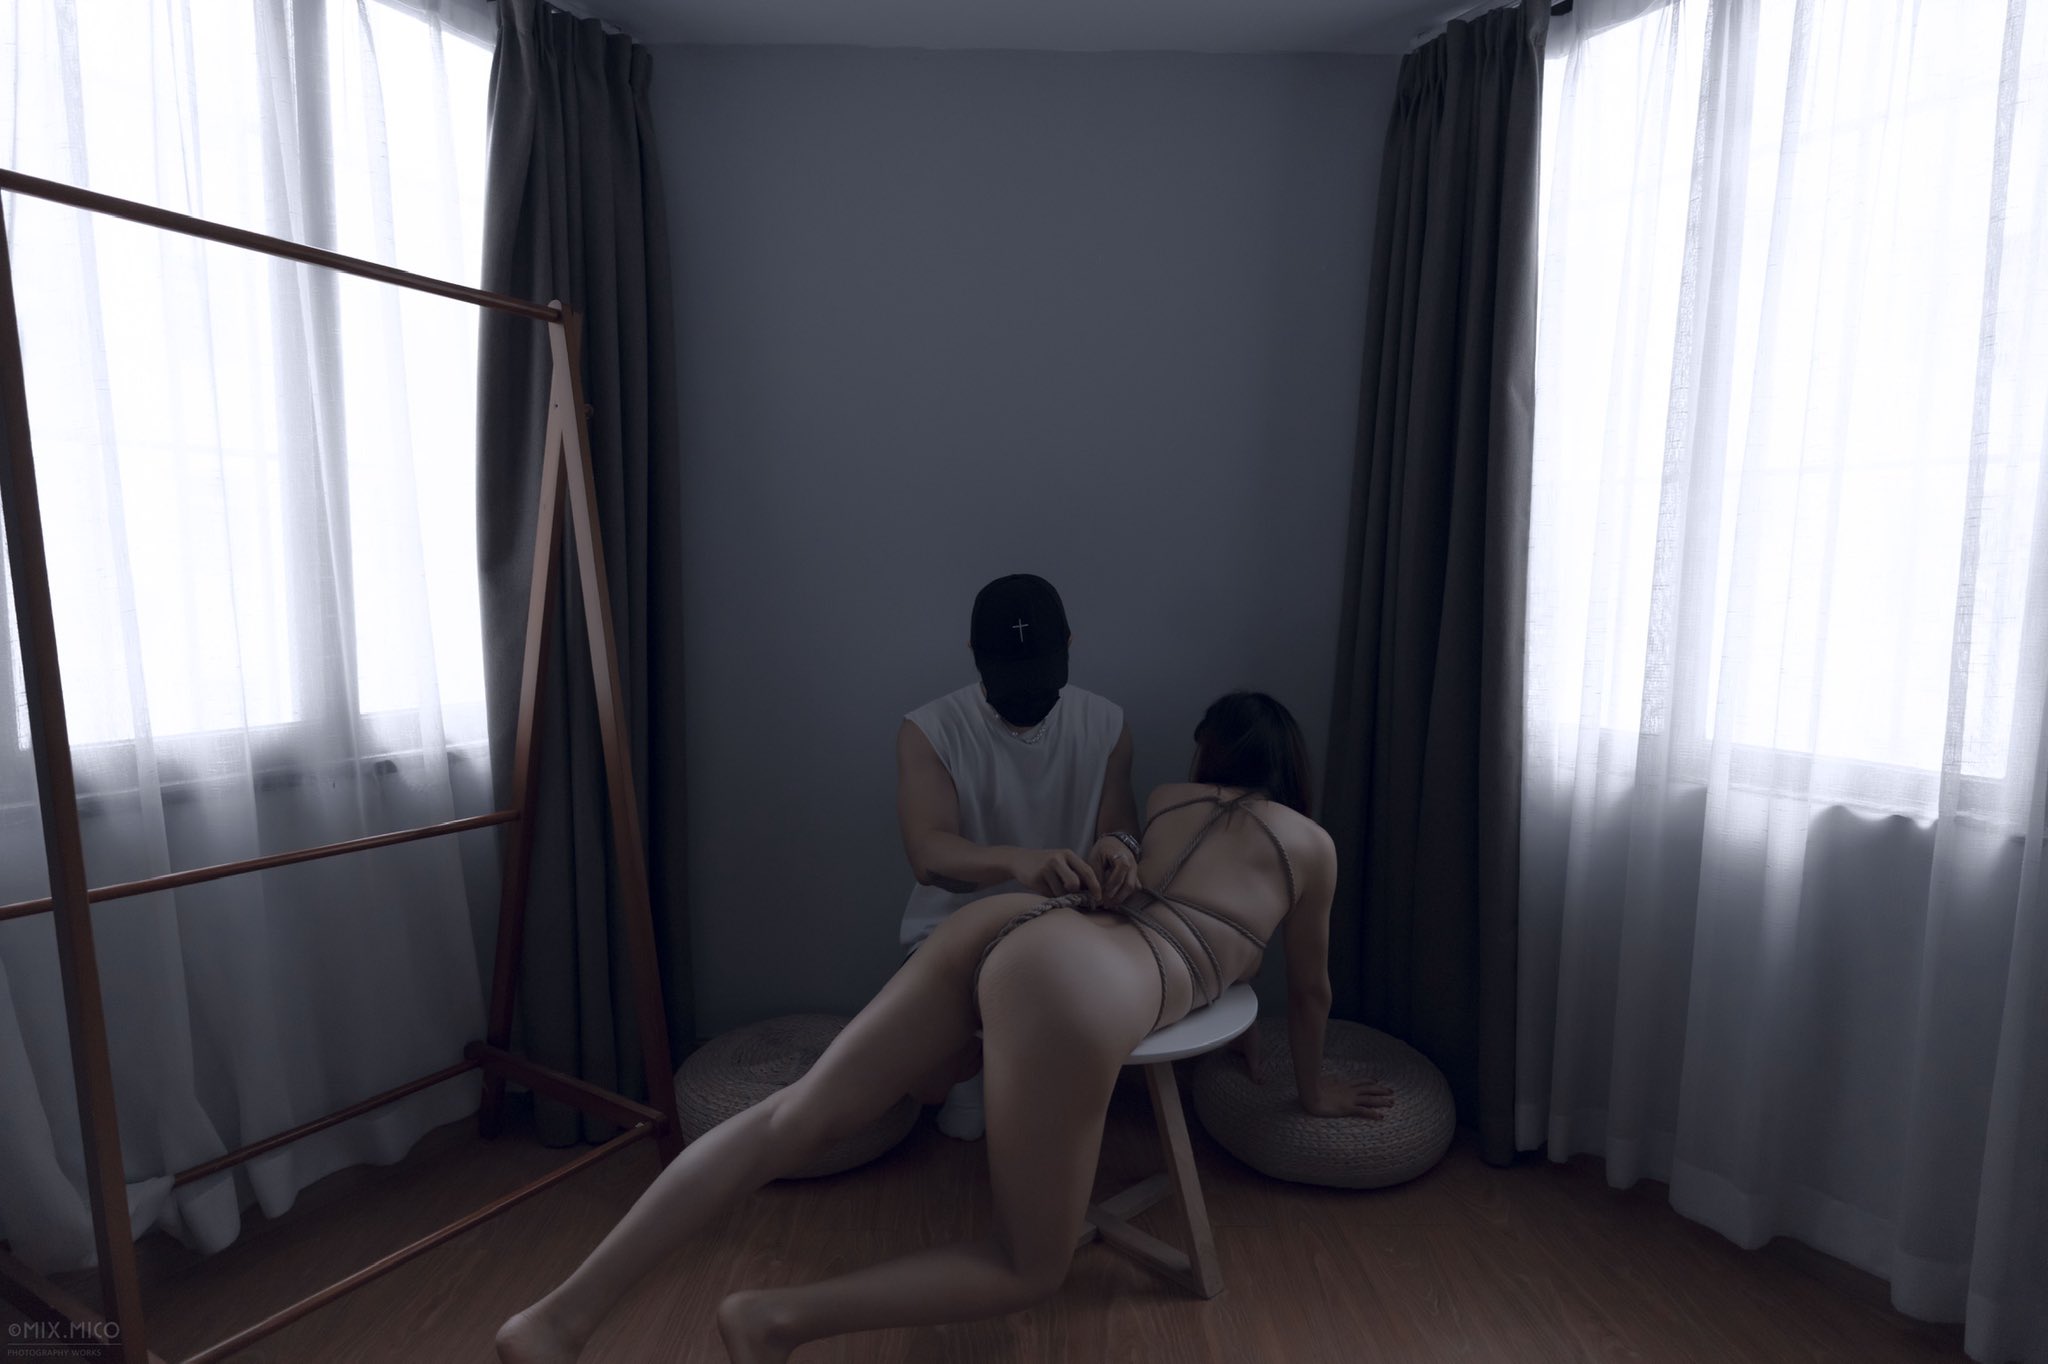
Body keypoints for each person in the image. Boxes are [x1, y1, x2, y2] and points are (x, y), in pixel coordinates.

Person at [494, 692, 1394, 1364]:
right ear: (1294, 769)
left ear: (1210, 752)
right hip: (1081, 980)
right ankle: (773, 1319)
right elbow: (1308, 991)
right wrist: (1312, 1088)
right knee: (1028, 1267)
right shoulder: (1310, 845)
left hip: (1015, 921)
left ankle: (554, 1320)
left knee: (791, 1116)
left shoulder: (1170, 796)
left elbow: (1165, 884)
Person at [895, 573, 1138, 1139]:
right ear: (973, 654)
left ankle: (1024, 1088)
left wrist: (1119, 848)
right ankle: (985, 1070)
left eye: (1039, 680)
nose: (1027, 699)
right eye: (1012, 681)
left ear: (1069, 646)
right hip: (953, 932)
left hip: (1070, 930)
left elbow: (1119, 827)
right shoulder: (929, 730)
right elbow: (927, 853)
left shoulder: (1107, 724)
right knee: (925, 1084)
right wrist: (1017, 862)